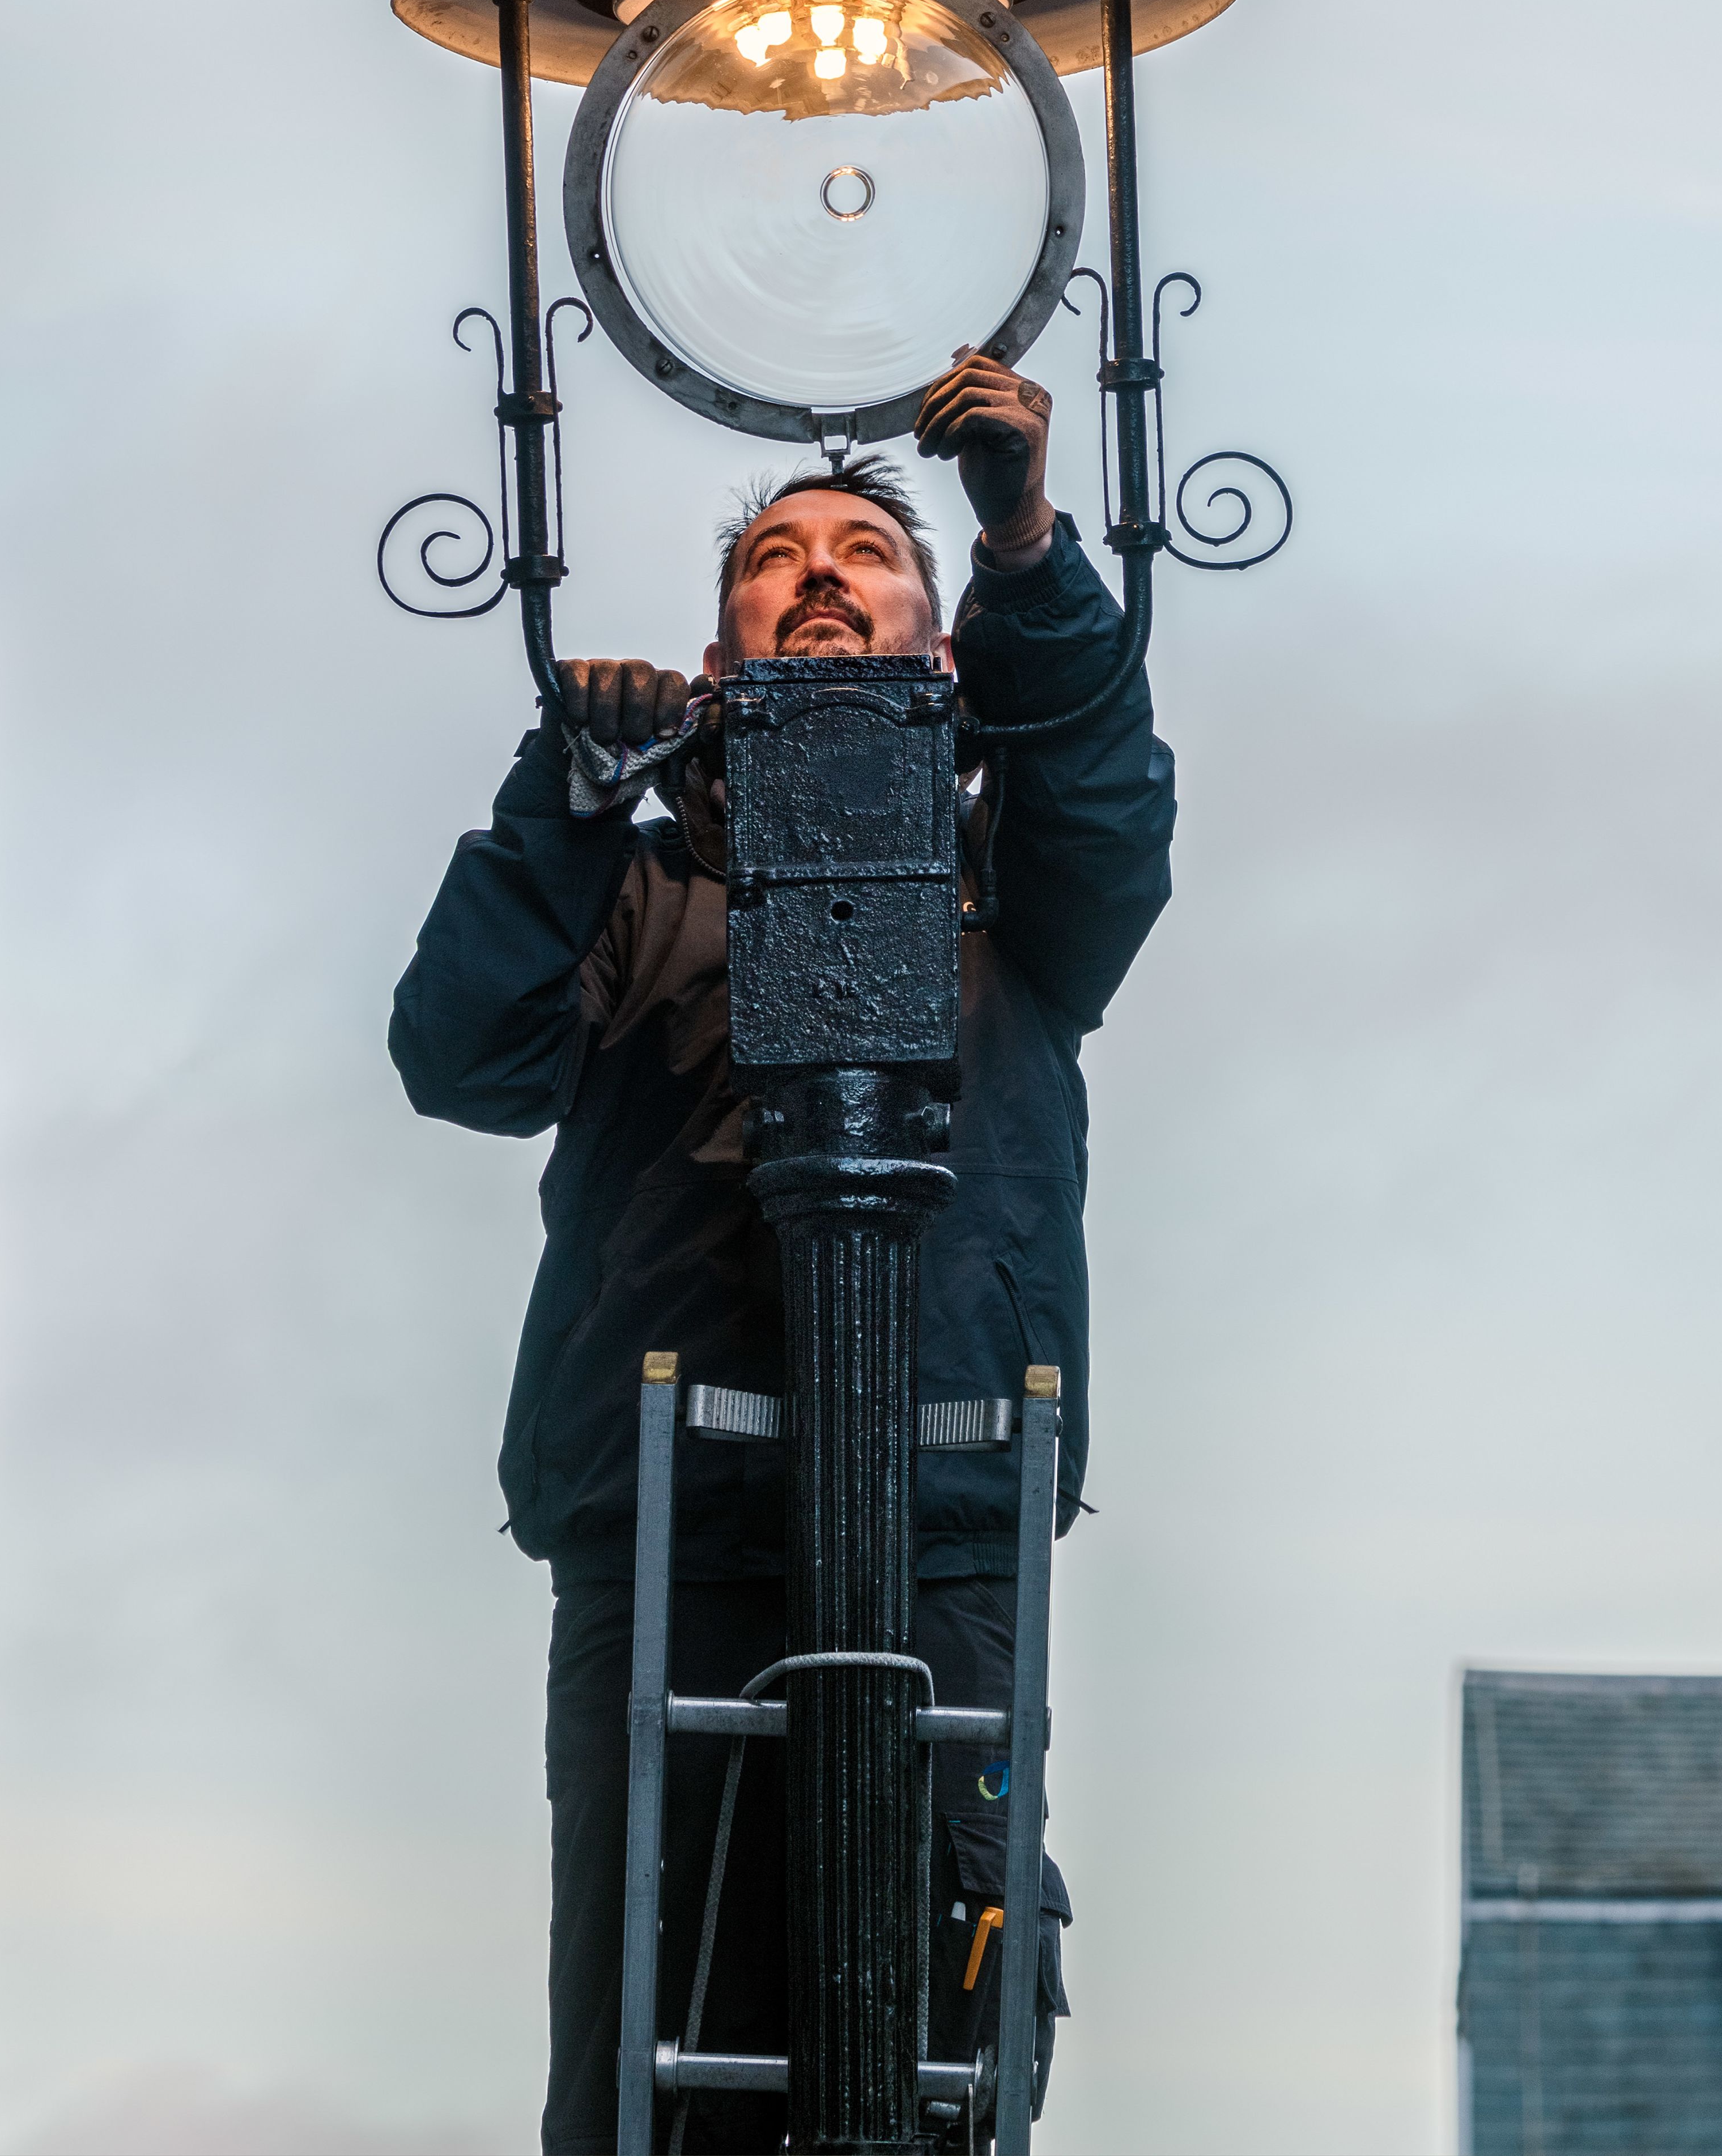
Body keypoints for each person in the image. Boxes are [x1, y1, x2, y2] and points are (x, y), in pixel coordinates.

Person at [391, 349, 1175, 2154]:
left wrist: (1028, 545)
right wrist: (565, 797)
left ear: (941, 649)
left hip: (941, 1522)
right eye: (776, 559)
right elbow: (463, 1059)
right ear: (719, 655)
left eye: (864, 552)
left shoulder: (1014, 896)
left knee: (942, 2006)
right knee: (653, 2024)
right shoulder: (638, 892)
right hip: (675, 1532)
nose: (820, 571)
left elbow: (1105, 802)